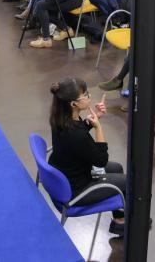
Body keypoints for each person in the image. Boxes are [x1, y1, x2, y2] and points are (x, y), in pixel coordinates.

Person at [47, 78, 126, 236]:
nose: (89, 96)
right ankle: (126, 224)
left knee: (117, 168)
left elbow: (76, 136)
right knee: (130, 182)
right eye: (86, 95)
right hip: (77, 189)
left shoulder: (60, 118)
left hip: (67, 173)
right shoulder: (75, 134)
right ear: (73, 104)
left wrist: (92, 120)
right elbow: (101, 160)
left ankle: (119, 221)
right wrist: (98, 128)